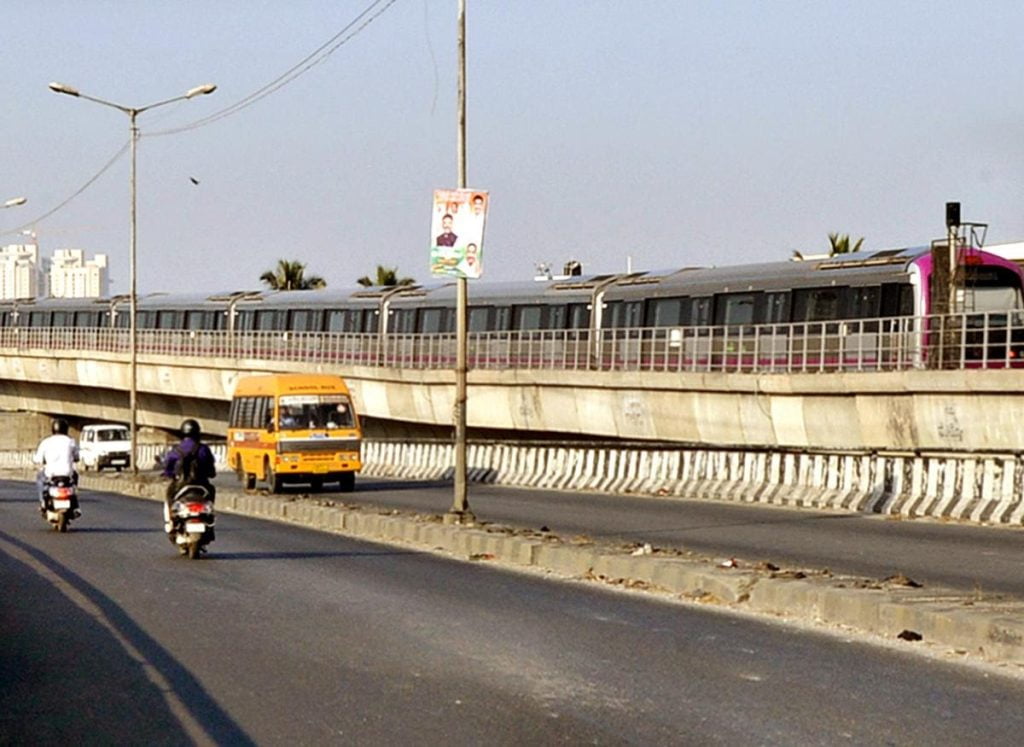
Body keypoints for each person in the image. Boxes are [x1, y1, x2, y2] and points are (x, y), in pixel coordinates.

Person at [161, 418, 217, 539]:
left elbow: (168, 467)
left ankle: (172, 521)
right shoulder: (203, 449)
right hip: (202, 485)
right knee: (211, 493)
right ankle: (210, 522)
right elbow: (211, 469)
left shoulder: (177, 450)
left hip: (181, 485)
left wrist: (168, 474)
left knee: (169, 495)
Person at [33, 418, 80, 514]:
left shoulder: (46, 442)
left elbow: (38, 459)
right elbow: (77, 456)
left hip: (51, 474)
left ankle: (43, 502)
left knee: (40, 478)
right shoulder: (71, 441)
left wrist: (40, 460)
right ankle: (75, 502)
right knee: (75, 477)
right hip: (67, 474)